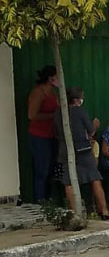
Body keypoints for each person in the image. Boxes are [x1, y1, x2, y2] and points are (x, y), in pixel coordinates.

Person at [54, 87, 109, 220]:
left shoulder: (58, 113)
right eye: (81, 97)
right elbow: (91, 131)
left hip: (64, 150)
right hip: (83, 149)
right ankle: (104, 211)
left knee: (68, 182)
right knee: (94, 178)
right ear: (76, 100)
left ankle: (74, 214)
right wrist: (95, 125)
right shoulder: (80, 111)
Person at [28, 65, 60, 202]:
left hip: (51, 135)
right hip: (39, 136)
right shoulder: (39, 92)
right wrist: (52, 116)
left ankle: (49, 197)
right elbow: (32, 115)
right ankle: (40, 199)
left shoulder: (53, 93)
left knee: (51, 169)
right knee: (42, 169)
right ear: (50, 78)